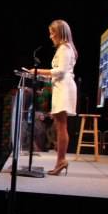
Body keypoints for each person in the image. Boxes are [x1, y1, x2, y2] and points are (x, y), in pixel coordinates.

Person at [29, 19, 77, 175]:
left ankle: (61, 160)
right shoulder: (66, 48)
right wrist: (45, 78)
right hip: (61, 87)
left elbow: (60, 71)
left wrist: (38, 72)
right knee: (60, 126)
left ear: (60, 33)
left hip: (64, 89)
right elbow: (58, 73)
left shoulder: (64, 48)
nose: (50, 36)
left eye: (52, 33)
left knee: (61, 127)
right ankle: (60, 161)